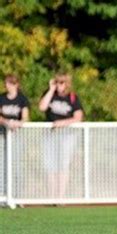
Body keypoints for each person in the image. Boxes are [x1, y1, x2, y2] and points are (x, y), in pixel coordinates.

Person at [39, 72, 84, 200]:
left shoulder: (72, 97)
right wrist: (51, 90)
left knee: (63, 165)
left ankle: (60, 196)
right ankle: (51, 196)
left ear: (67, 84)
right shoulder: (50, 95)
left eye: (61, 82)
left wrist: (62, 123)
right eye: (57, 82)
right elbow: (42, 107)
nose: (59, 85)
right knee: (50, 165)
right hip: (50, 134)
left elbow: (78, 117)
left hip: (66, 135)